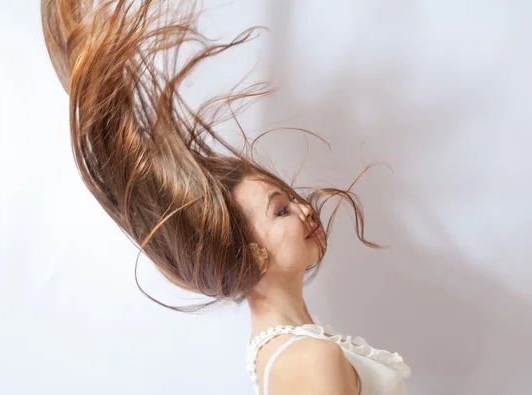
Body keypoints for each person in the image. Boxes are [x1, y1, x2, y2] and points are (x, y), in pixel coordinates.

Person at [40, 0, 412, 394]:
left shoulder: (286, 351)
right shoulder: (308, 357)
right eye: (281, 210)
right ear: (252, 254)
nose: (305, 208)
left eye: (291, 199)